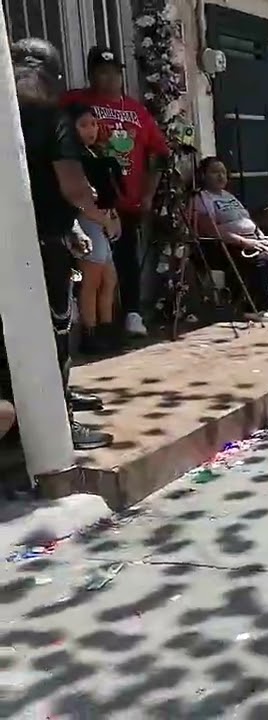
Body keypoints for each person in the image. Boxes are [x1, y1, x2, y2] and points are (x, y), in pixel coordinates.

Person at [6, 38, 113, 451]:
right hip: (42, 244)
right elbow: (71, 185)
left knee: (10, 337)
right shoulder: (52, 119)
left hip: (13, 240)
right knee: (54, 330)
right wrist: (100, 213)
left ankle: (32, 411)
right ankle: (58, 423)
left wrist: (73, 226)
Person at [64, 47, 169, 340]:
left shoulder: (136, 111)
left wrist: (148, 194)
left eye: (115, 72)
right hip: (86, 202)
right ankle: (89, 328)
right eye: (102, 72)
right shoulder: (74, 102)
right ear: (91, 74)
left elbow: (160, 153)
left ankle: (129, 316)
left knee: (121, 263)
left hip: (125, 199)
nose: (110, 78)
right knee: (91, 266)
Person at [193, 157, 268, 321]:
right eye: (214, 172)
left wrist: (263, 238)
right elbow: (210, 230)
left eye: (223, 172)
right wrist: (249, 243)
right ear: (203, 175)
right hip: (225, 245)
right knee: (262, 260)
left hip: (250, 240)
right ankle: (258, 307)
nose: (220, 176)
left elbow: (247, 222)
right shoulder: (202, 198)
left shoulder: (229, 196)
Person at [67, 102, 124, 356]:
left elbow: (107, 193)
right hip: (87, 221)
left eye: (93, 124)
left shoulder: (96, 154)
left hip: (103, 219)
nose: (90, 130)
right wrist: (102, 219)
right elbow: (80, 196)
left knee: (109, 278)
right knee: (92, 279)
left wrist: (113, 215)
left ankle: (106, 326)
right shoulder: (72, 158)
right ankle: (90, 332)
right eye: (83, 125)